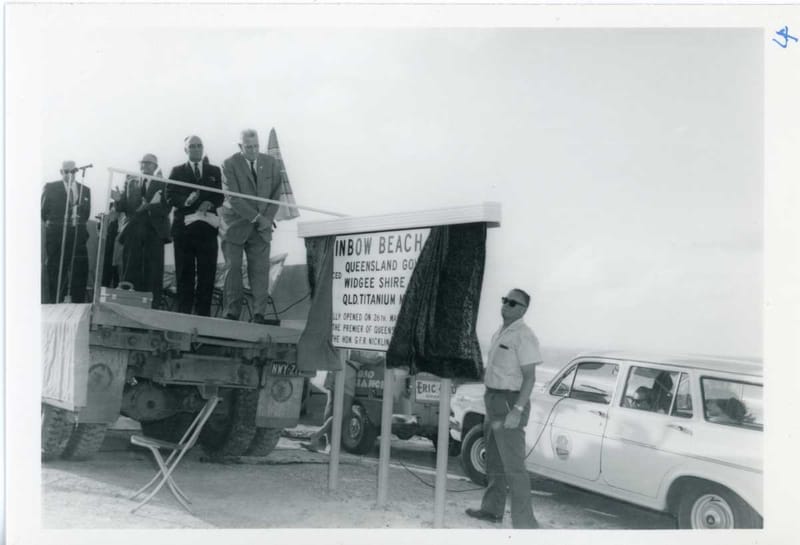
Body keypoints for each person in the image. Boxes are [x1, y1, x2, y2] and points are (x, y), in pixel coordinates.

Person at [466, 288, 541, 529]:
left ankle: (525, 523)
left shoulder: (525, 336)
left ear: (523, 309)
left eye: (512, 303)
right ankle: (491, 510)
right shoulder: (501, 332)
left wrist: (517, 410)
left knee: (514, 467)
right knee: (495, 462)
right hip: (493, 400)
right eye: (504, 300)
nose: (506, 306)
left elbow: (529, 378)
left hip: (510, 402)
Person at [219, 129, 283, 323]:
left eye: (256, 146)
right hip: (235, 227)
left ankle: (258, 314)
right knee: (233, 269)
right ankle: (231, 313)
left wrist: (266, 219)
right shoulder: (229, 164)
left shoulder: (271, 163)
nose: (253, 150)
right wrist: (257, 217)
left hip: (261, 230)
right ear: (240, 146)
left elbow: (276, 194)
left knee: (260, 271)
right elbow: (234, 198)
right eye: (249, 147)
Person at [166, 136, 224, 316]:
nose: (196, 149)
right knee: (185, 275)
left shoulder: (214, 170)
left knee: (207, 275)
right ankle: (183, 316)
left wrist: (209, 203)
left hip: (207, 231)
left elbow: (220, 196)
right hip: (184, 232)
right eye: (192, 146)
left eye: (199, 146)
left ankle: (203, 317)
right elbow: (169, 196)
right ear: (186, 150)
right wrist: (186, 201)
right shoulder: (177, 171)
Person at [111, 153, 170, 308]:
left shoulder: (164, 183)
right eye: (142, 163)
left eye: (148, 163)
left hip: (155, 231)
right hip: (133, 231)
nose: (144, 166)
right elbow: (123, 206)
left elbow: (167, 207)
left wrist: (150, 206)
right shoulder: (130, 182)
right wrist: (117, 200)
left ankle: (153, 306)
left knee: (153, 271)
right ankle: (128, 305)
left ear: (155, 166)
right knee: (130, 268)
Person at [41, 160, 91, 303]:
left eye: (73, 171)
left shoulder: (85, 190)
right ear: (61, 172)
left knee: (79, 270)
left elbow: (86, 214)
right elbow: (43, 212)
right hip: (57, 237)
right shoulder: (51, 187)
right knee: (56, 270)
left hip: (77, 237)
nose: (70, 174)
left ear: (77, 171)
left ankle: (77, 304)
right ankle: (54, 304)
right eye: (66, 171)